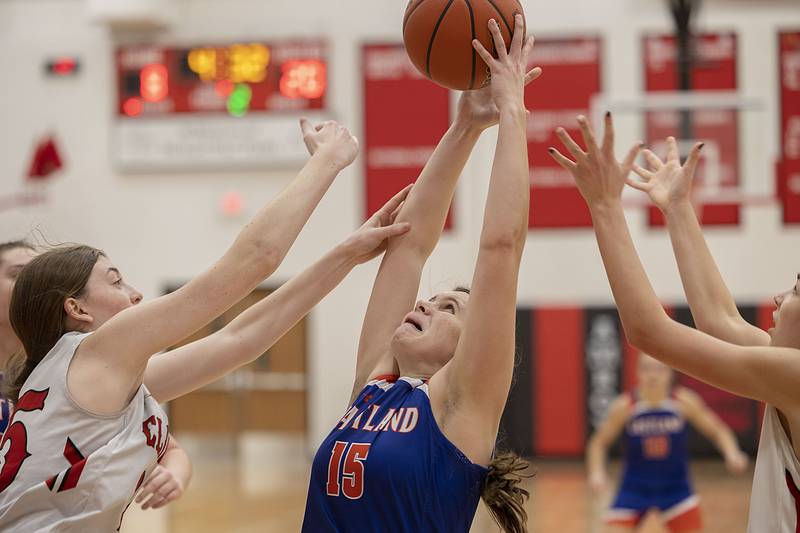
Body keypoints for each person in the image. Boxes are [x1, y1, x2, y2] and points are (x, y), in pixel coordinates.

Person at [0, 119, 412, 530]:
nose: (136, 293)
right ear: (77, 309)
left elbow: (241, 338)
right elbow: (255, 259)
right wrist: (327, 160)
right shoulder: (92, 352)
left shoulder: (91, 378)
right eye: (115, 280)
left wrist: (346, 254)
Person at [302, 16, 540, 533]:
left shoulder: (461, 407)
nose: (427, 304)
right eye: (434, 299)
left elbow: (502, 248)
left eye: (449, 307)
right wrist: (465, 127)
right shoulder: (376, 386)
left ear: (469, 347)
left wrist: (512, 108)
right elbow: (407, 248)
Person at [550, 115, 800, 532]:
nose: (778, 296)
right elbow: (719, 320)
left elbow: (649, 332)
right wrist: (678, 208)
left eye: (795, 290)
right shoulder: (785, 375)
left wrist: (605, 205)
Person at [0, 240, 193, 511]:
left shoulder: (81, 368)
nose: (30, 280)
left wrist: (174, 475)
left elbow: (172, 451)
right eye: (18, 274)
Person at [587, 353, 748, 531]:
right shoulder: (625, 406)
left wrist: (732, 453)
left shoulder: (683, 401)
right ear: (637, 372)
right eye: (647, 369)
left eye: (659, 369)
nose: (653, 375)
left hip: (676, 489)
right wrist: (597, 473)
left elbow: (718, 430)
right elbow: (598, 443)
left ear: (670, 373)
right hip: (634, 488)